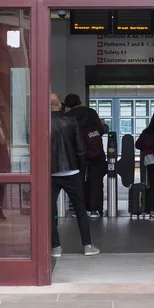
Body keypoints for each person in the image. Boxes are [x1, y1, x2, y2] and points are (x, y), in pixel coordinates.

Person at [50, 93, 100, 257]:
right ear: (60, 105)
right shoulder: (71, 121)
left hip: (51, 173)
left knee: (50, 211)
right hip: (72, 171)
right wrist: (80, 168)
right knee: (80, 210)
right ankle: (87, 245)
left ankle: (55, 247)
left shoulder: (42, 122)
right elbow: (80, 147)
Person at [64, 93, 109, 217]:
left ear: (67, 105)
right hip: (95, 152)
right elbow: (100, 130)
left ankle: (80, 210)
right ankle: (95, 209)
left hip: (77, 154)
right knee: (96, 181)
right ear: (80, 100)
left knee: (78, 181)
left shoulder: (67, 116)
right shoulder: (91, 112)